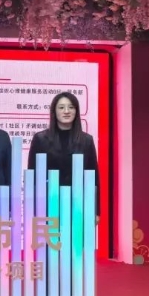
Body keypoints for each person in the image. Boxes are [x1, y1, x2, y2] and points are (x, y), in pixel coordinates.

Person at [27, 91, 99, 220]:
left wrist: (95, 210)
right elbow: (33, 176)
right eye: (61, 107)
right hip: (48, 205)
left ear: (76, 111)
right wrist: (32, 208)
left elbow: (93, 177)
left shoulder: (86, 140)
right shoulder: (40, 139)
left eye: (71, 107)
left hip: (78, 205)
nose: (66, 111)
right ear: (54, 112)